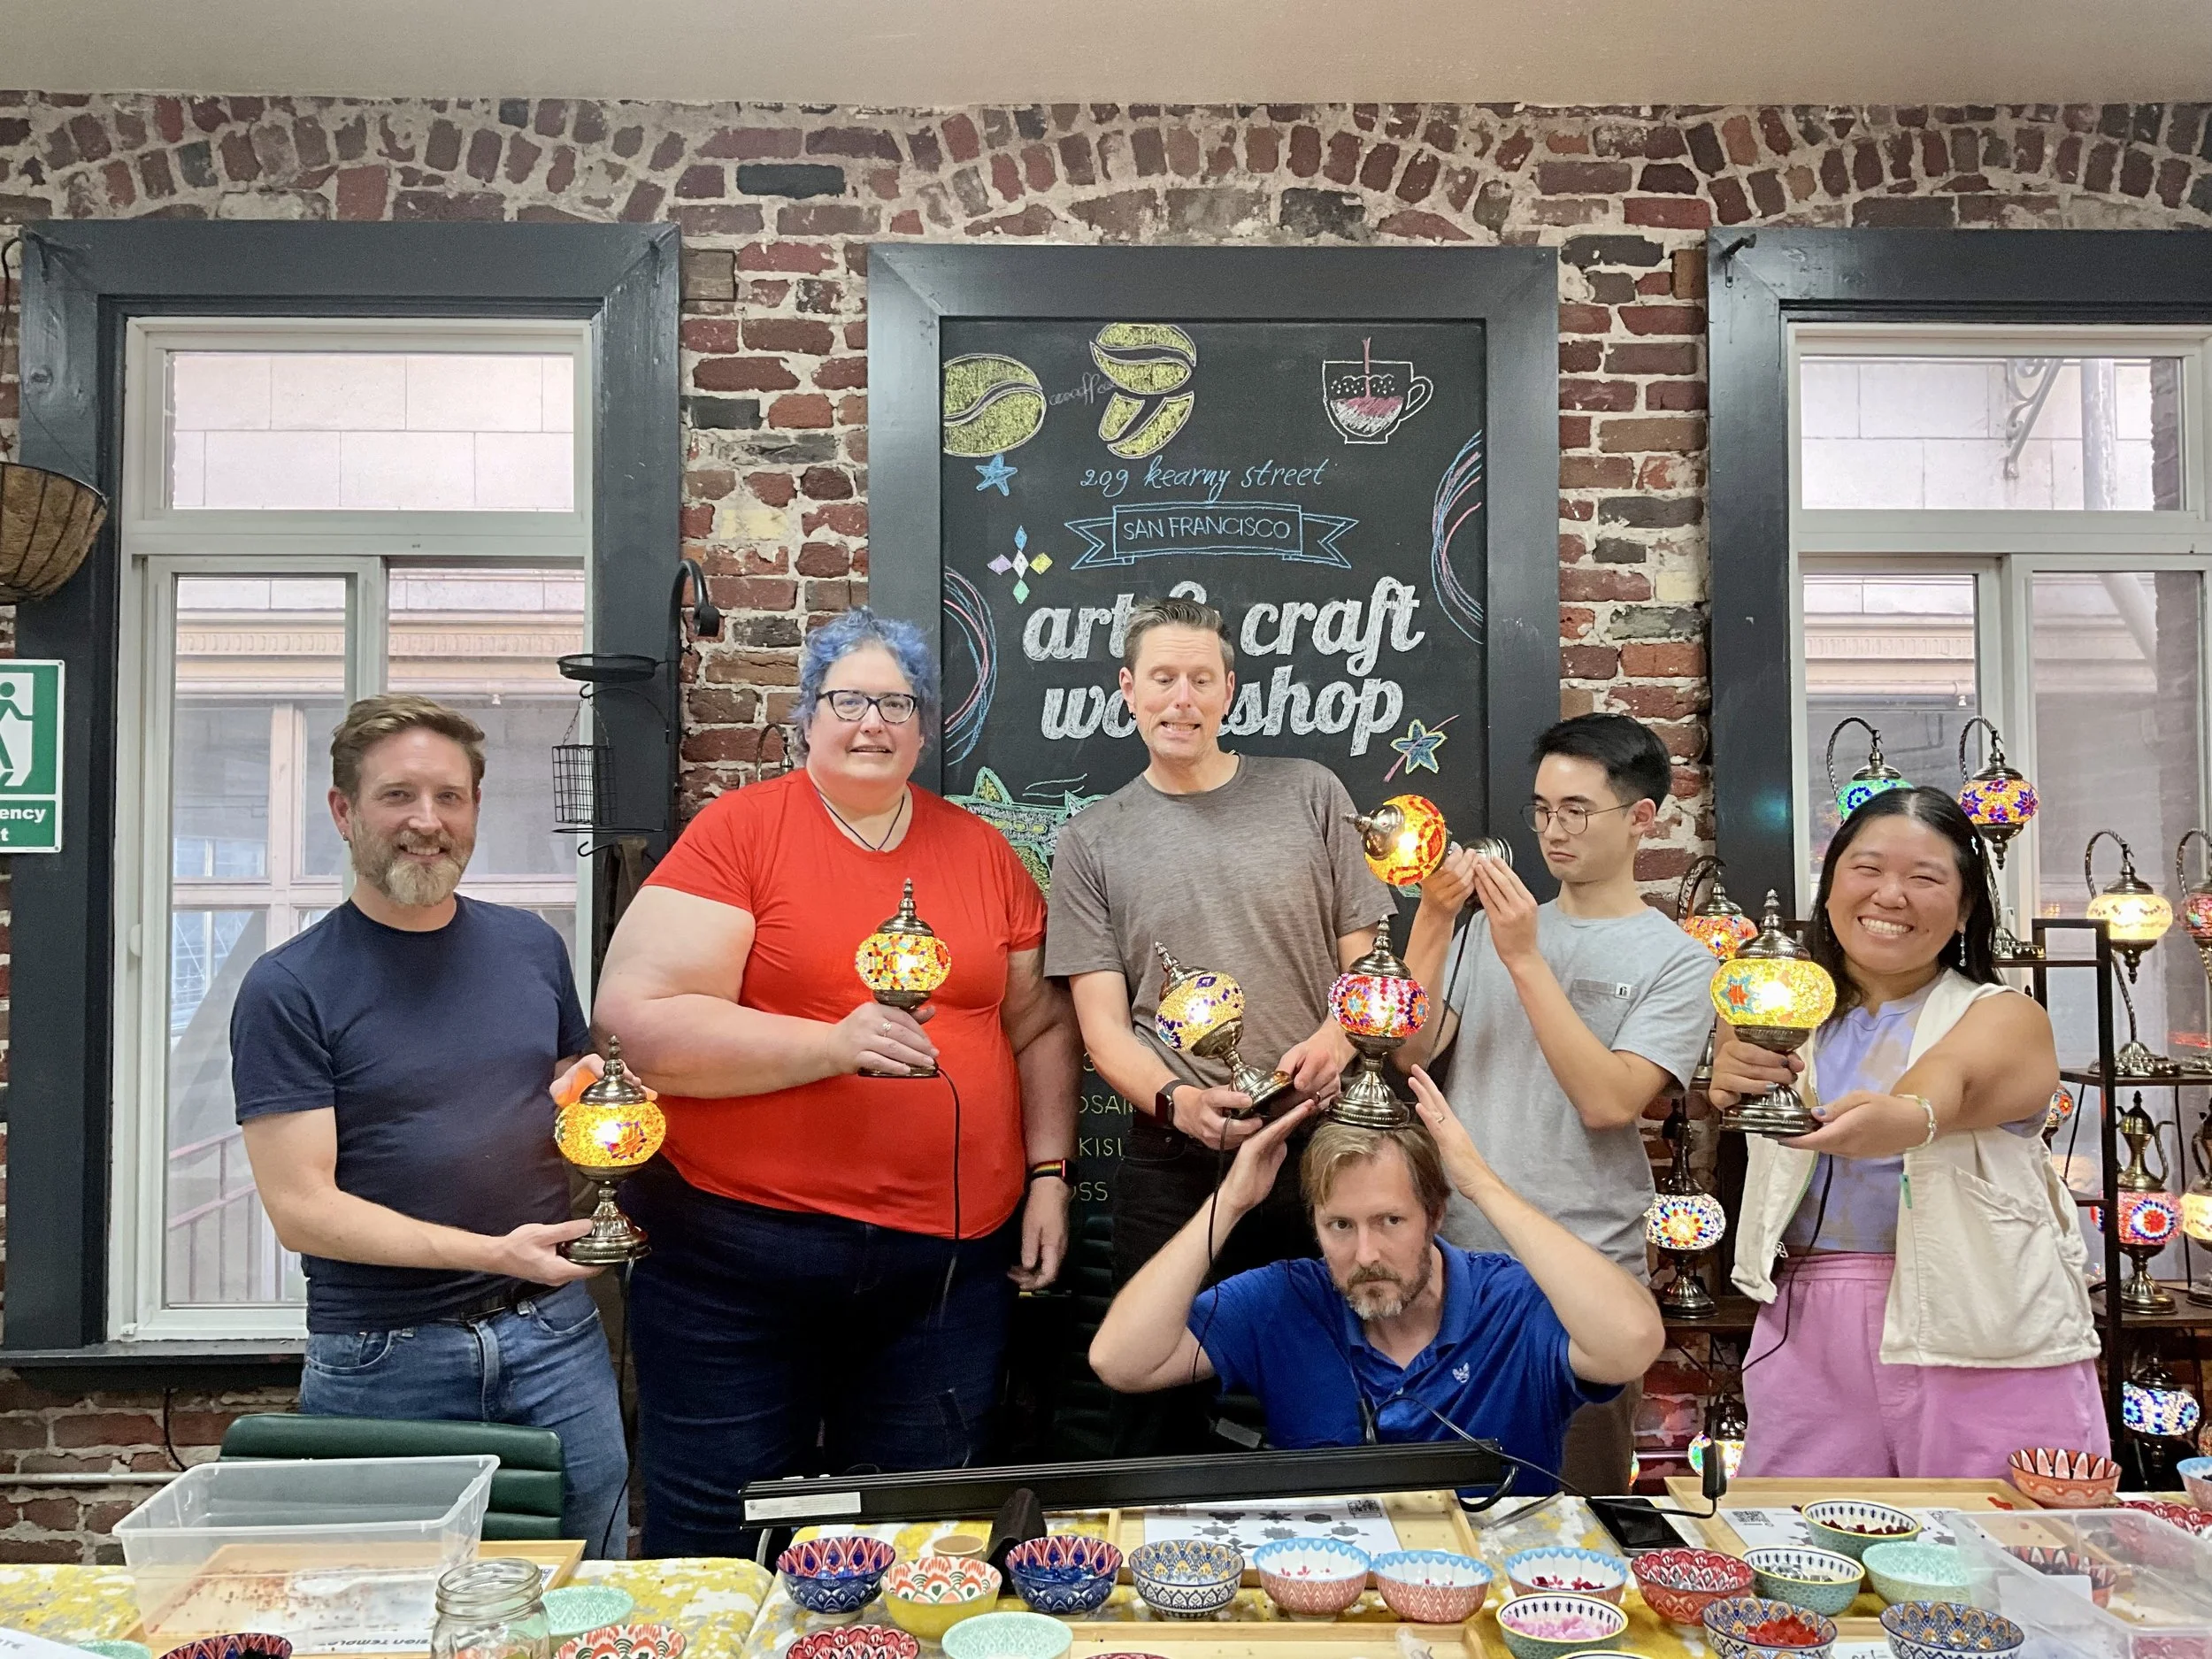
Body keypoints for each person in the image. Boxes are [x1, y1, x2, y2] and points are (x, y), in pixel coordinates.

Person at [591, 607, 1079, 1555]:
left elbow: (1040, 1026)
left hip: (945, 1273)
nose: (872, 724)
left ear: (924, 729)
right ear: (807, 717)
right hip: (739, 1262)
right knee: (720, 1529)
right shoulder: (739, 834)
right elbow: (633, 1026)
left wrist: (1050, 1173)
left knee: (917, 1536)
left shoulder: (981, 852)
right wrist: (828, 1044)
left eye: (897, 704)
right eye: (848, 701)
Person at [233, 695, 629, 1558]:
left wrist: (596, 1101)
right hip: (384, 1359)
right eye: (397, 796)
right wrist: (494, 1252)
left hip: (555, 1336)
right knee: (387, 1601)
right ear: (343, 811)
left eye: (450, 797)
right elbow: (303, 1210)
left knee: (590, 1588)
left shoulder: (531, 947)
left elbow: (562, 1080)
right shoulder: (289, 988)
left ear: (475, 810)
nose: (427, 821)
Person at [1046, 595, 1395, 1454]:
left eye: (1201, 679)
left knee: (1339, 1392)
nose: (1182, 699)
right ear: (1128, 689)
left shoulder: (1312, 793)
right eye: (1163, 678)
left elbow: (1372, 963)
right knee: (1152, 1412)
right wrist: (1176, 1102)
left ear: (1229, 691)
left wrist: (1338, 1038)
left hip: (1326, 1143)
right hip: (1174, 1159)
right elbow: (1102, 1028)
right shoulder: (1090, 840)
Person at [1710, 786, 2104, 1478]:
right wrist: (1732, 1072)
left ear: (1966, 906)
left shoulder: (2007, 1015)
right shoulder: (1779, 1006)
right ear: (1830, 887)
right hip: (1808, 1313)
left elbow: (1951, 1076)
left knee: (2009, 1531)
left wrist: (1908, 1117)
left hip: (1985, 1310)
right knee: (1801, 1531)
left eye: (1925, 877)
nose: (1890, 895)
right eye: (1866, 868)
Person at [1397, 711, 1715, 1496]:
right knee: (1439, 1512)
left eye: (1577, 810)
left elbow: (1609, 1101)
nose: (1553, 830)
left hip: (1580, 1276)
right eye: (1541, 809)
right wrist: (1436, 918)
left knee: (1575, 1516)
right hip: (1454, 1267)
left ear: (1643, 817)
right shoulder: (1487, 932)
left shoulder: (1677, 960)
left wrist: (1526, 958)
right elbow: (1407, 1053)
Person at [1087, 1072, 1665, 1492]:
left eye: (1391, 1221)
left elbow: (1633, 1340)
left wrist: (1483, 1186)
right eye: (1340, 1225)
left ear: (1434, 1215)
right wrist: (1231, 1202)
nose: (1366, 1255)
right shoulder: (1284, 1299)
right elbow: (1121, 1361)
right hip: (1332, 1590)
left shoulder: (1509, 1300)